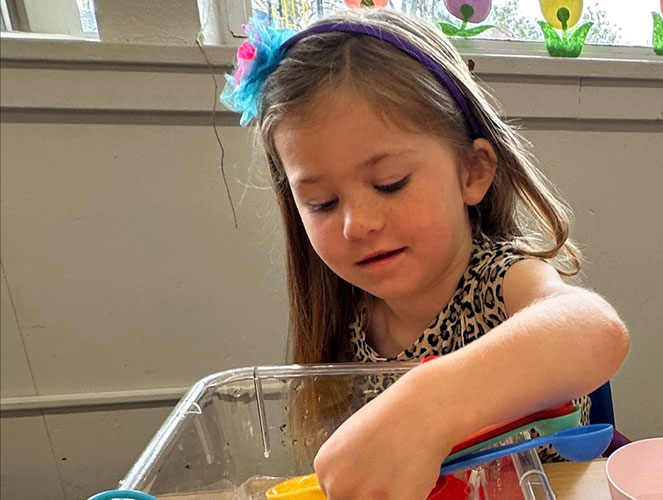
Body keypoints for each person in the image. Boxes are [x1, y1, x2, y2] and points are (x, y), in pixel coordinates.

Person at [221, 7, 629, 500]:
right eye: (322, 203)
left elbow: (595, 329)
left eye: (390, 184)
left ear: (472, 172)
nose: (357, 223)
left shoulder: (500, 281)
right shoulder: (348, 318)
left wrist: (429, 401)